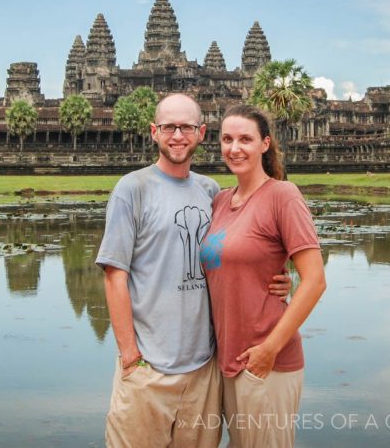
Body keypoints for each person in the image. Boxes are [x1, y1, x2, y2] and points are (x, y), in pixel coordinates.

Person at [96, 94, 291, 448]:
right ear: (154, 132)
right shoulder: (132, 189)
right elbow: (114, 275)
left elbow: (232, 259)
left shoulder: (212, 192)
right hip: (148, 368)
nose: (177, 135)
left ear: (201, 133)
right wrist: (130, 357)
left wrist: (274, 279)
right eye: (169, 127)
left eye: (186, 127)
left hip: (204, 370)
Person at [200, 104, 327, 447]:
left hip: (267, 358)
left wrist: (270, 348)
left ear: (265, 144)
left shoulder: (283, 195)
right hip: (226, 357)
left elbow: (315, 280)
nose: (234, 148)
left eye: (245, 139)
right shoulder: (221, 201)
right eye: (227, 139)